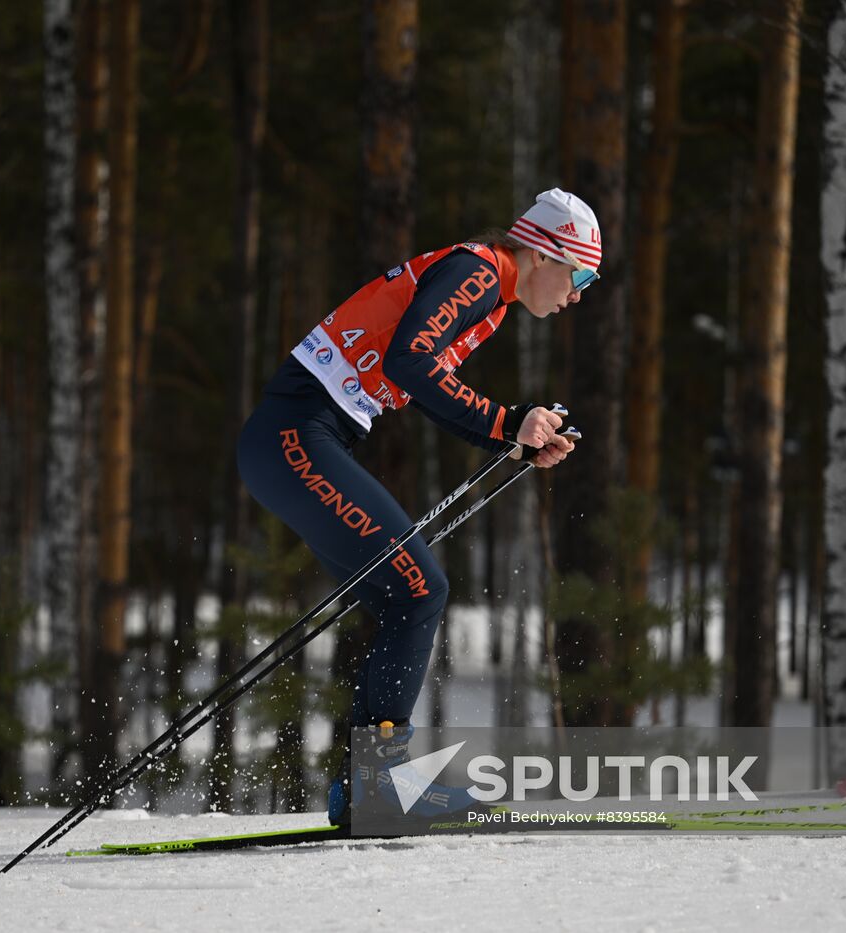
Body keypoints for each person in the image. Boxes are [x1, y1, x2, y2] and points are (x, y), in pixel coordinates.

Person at [236, 187, 602, 825]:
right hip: (296, 435)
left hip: (300, 437)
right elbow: (411, 362)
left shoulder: (489, 295)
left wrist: (511, 435)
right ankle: (374, 789)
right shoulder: (481, 271)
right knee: (419, 589)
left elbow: (424, 376)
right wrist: (507, 420)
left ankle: (366, 788)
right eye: (583, 276)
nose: (577, 296)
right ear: (545, 254)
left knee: (402, 596)